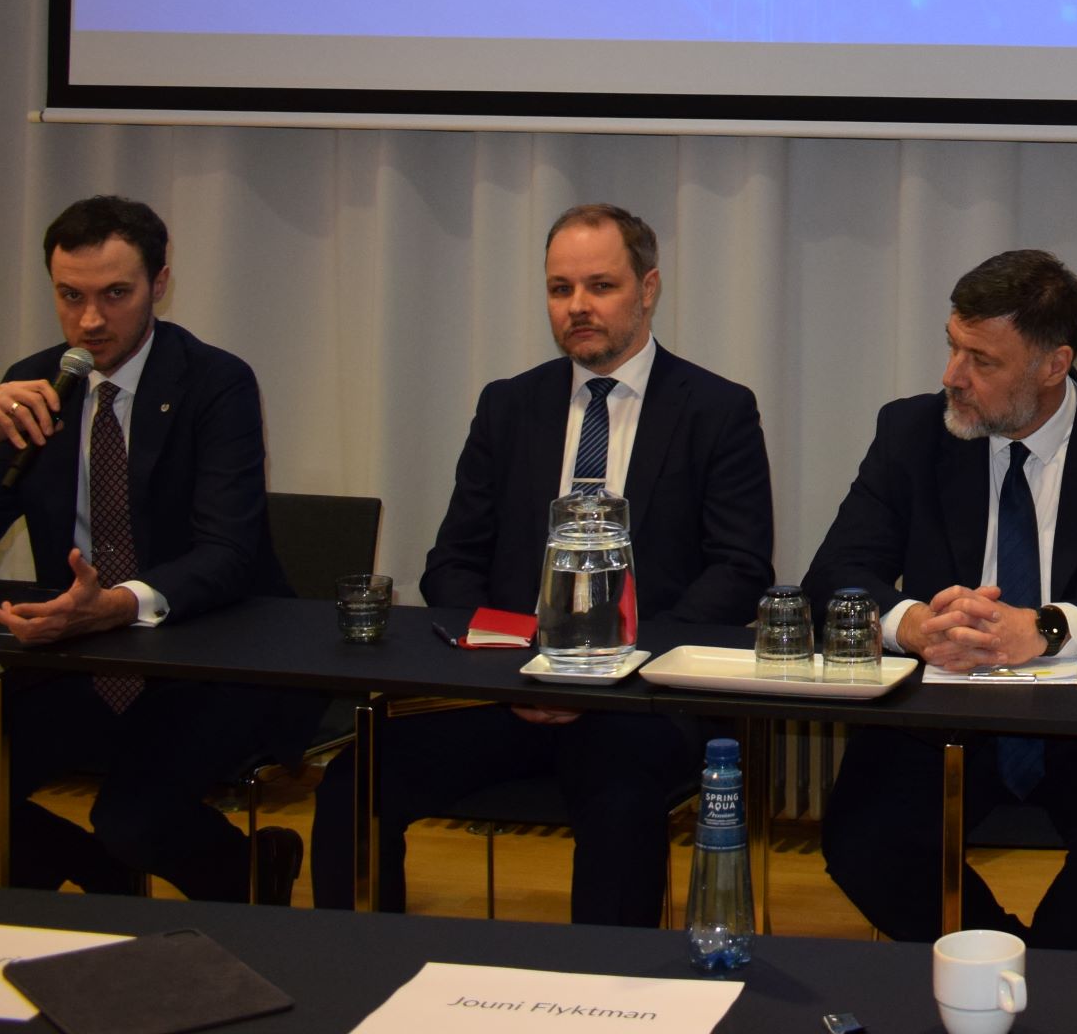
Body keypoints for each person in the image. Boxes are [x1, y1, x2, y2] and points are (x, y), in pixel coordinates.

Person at [312, 202, 773, 925]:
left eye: (600, 286)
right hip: (514, 687)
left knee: (619, 792)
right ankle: (359, 968)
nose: (577, 306)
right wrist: (521, 661)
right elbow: (451, 564)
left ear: (648, 289)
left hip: (643, 700)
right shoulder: (509, 406)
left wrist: (613, 662)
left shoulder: (716, 409)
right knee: (356, 778)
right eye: (560, 289)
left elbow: (739, 570)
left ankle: (604, 983)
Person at [804, 248, 1077, 970]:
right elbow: (834, 574)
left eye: (982, 361)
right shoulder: (912, 433)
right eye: (952, 347)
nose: (951, 376)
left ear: (1054, 364)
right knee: (867, 838)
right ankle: (1030, 996)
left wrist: (1045, 629)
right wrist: (913, 625)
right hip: (946, 716)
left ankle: (1027, 1002)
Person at [0, 195, 317, 904]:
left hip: (209, 656)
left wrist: (117, 605)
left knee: (135, 818)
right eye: (71, 297)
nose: (90, 320)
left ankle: (249, 871)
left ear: (160, 284)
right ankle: (105, 878)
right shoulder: (38, 385)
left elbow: (228, 554)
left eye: (115, 295)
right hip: (79, 660)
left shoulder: (214, 383)